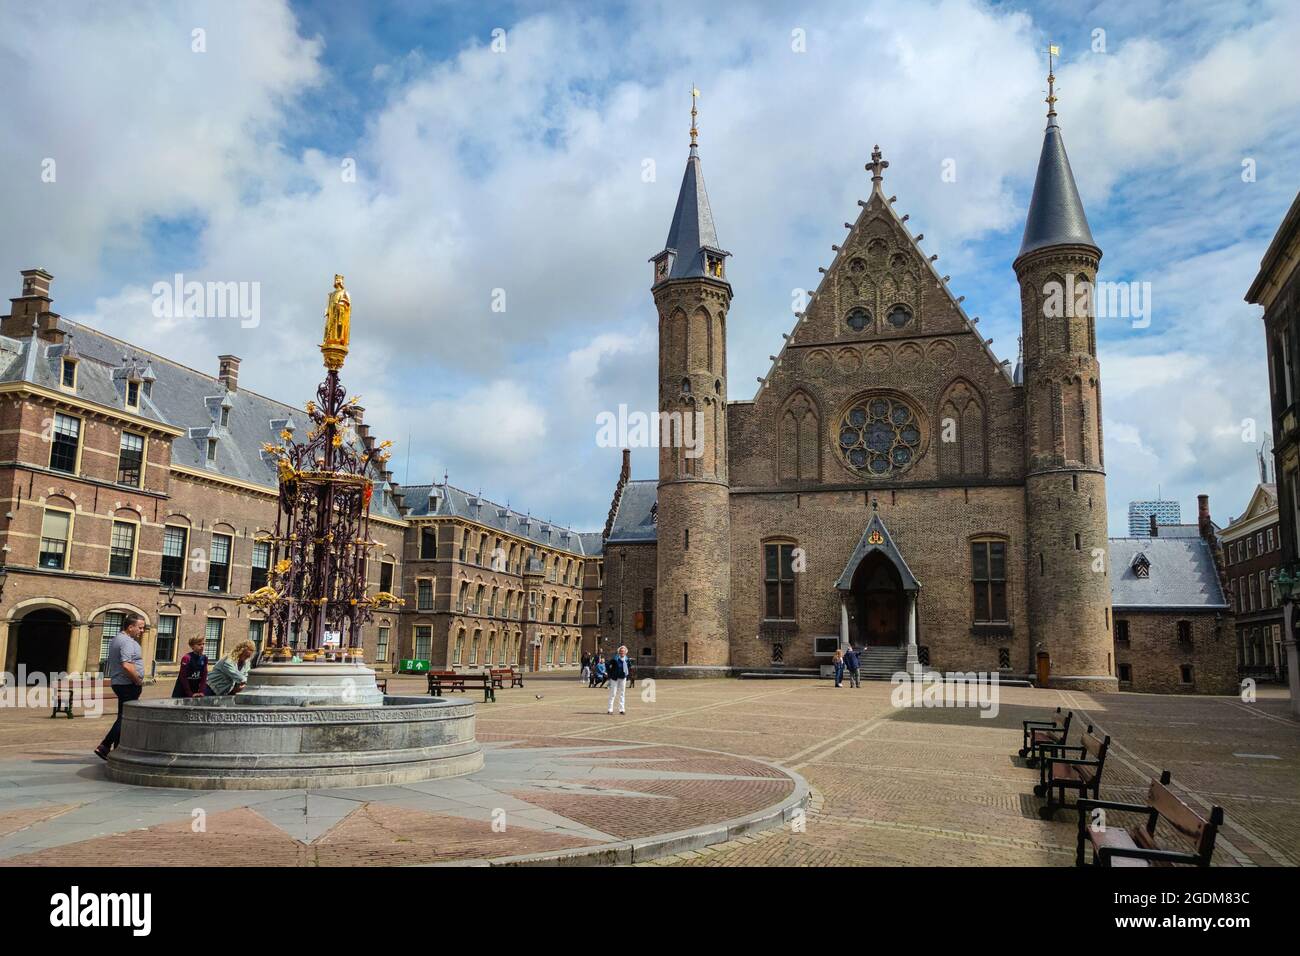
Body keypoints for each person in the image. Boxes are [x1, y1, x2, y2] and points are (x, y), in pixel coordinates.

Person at [94, 612, 147, 760]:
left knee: (122, 717)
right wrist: (137, 680)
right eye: (140, 628)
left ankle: (117, 749)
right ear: (130, 627)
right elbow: (127, 665)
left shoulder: (117, 639)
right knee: (125, 717)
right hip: (127, 684)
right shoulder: (127, 642)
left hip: (120, 683)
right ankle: (105, 746)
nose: (142, 631)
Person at [606, 645, 631, 715]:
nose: (622, 652)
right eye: (621, 651)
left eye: (623, 651)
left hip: (623, 678)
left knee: (622, 693)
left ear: (626, 652)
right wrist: (610, 673)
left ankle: (622, 709)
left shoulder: (627, 659)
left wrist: (626, 674)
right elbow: (607, 664)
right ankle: (610, 709)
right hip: (615, 678)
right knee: (613, 693)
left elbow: (629, 666)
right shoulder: (615, 659)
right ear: (619, 652)